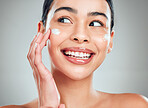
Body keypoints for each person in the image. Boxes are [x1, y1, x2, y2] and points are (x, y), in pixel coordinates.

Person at [1, 0, 148, 108]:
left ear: (110, 40)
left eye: (96, 23)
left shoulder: (136, 105)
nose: (80, 35)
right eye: (64, 20)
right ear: (41, 31)